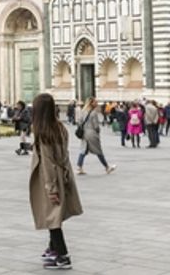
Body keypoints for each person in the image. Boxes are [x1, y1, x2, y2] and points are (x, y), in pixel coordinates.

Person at [29, 93, 82, 270]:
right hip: (62, 175)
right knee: (55, 215)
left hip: (49, 179)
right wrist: (66, 177)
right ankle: (52, 248)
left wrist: (51, 187)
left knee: (52, 217)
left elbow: (48, 162)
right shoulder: (60, 128)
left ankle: (62, 255)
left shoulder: (42, 133)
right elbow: (64, 156)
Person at [76, 97, 116, 175]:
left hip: (84, 133)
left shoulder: (83, 111)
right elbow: (96, 126)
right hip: (92, 133)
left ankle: (79, 167)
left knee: (83, 150)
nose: (97, 104)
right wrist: (98, 131)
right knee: (98, 151)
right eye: (95, 102)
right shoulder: (93, 113)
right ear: (91, 103)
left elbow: (79, 122)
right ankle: (107, 167)